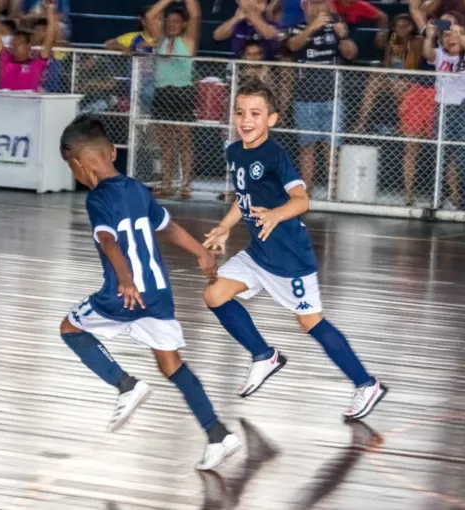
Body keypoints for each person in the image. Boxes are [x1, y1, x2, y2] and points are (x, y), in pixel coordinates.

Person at [58, 116, 242, 470]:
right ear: (112, 151)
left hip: (124, 294)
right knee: (172, 364)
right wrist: (201, 253)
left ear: (79, 165)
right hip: (158, 294)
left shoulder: (97, 199)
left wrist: (125, 280)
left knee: (70, 328)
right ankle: (218, 434)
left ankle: (125, 383)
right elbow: (168, 228)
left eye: (71, 168)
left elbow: (108, 241)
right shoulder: (138, 189)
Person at [202, 78, 387, 421]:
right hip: (258, 253)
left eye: (256, 113)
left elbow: (302, 201)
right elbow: (243, 198)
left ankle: (366, 383)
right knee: (214, 294)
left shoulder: (276, 155)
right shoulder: (233, 151)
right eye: (241, 112)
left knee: (310, 322)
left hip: (289, 257)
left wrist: (275, 213)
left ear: (271, 119)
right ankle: (263, 355)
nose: (246, 120)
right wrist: (226, 226)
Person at [355, 13, 435, 206]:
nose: (401, 30)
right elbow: (388, 64)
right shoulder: (392, 41)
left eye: (404, 26)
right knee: (374, 79)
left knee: (400, 84)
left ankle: (403, 121)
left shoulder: (417, 41)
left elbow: (411, 64)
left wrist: (400, 44)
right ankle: (361, 122)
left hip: (412, 81)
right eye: (397, 26)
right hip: (394, 78)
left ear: (410, 28)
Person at [285, 0, 357, 195]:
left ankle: (333, 192)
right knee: (307, 147)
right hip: (305, 97)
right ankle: (306, 193)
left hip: (333, 97)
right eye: (312, 4)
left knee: (332, 147)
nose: (317, 8)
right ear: (304, 7)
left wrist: (343, 36)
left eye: (320, 3)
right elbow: (292, 45)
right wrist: (313, 27)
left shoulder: (336, 27)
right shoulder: (297, 27)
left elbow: (351, 54)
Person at [422, 17, 465, 212]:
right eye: (447, 36)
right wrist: (430, 37)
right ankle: (437, 198)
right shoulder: (440, 53)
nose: (451, 39)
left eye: (454, 36)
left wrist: (459, 33)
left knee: (464, 156)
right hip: (444, 108)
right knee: (440, 154)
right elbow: (428, 54)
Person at [146, 0, 201, 199]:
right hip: (162, 93)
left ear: (184, 24)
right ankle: (167, 183)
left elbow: (195, 15)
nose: (171, 25)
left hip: (182, 93)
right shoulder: (160, 40)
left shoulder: (187, 41)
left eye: (176, 21)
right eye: (168, 21)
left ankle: (186, 185)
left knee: (185, 141)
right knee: (165, 143)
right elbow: (151, 16)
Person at [0, 0, 54, 91]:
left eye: (19, 43)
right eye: (13, 43)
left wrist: (50, 8)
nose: (15, 46)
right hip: (4, 102)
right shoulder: (5, 58)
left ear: (28, 46)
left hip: (28, 103)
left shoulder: (37, 63)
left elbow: (50, 37)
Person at [213, 0, 279, 60]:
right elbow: (217, 36)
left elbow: (269, 35)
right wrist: (236, 18)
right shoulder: (239, 23)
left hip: (264, 67)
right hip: (238, 66)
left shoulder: (270, 23)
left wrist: (250, 15)